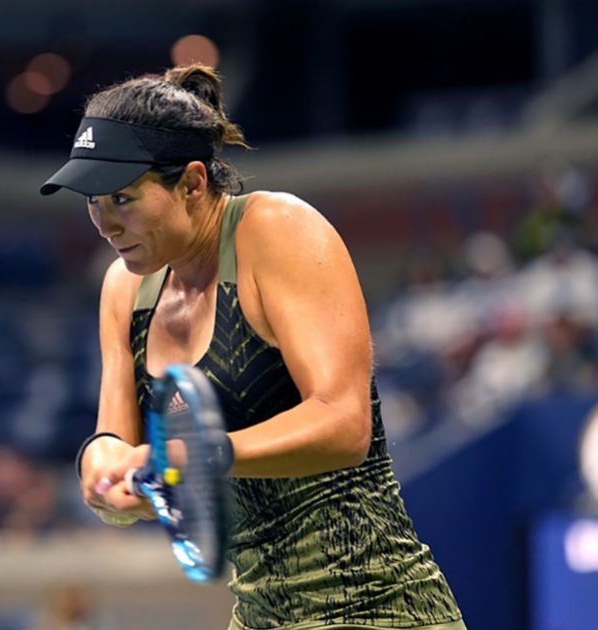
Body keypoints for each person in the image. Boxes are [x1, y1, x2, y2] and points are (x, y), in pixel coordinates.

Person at [39, 64, 467, 630]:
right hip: (259, 616)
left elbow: (344, 424)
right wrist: (105, 473)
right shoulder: (123, 287)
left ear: (192, 183)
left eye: (122, 197)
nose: (105, 224)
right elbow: (118, 441)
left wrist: (199, 456)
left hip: (379, 608)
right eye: (92, 200)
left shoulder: (279, 230)